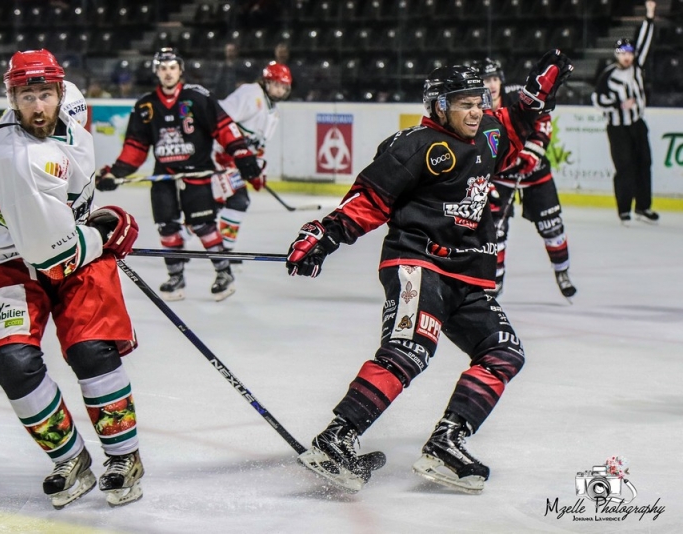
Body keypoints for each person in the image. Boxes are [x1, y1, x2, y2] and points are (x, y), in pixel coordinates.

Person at [286, 51, 573, 494]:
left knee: (504, 354)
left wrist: (537, 97)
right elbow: (369, 200)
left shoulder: (491, 132)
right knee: (411, 348)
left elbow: (519, 118)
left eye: (479, 101)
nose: (476, 110)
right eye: (465, 103)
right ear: (440, 106)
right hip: (417, 261)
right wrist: (324, 235)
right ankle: (336, 439)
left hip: (468, 271)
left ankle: (447, 442)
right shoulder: (414, 145)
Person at [0, 49, 144, 509]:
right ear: (12, 98)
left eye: (46, 93)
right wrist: (107, 232)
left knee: (92, 348)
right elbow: (51, 254)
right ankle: (69, 457)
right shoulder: (14, 157)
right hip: (8, 258)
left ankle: (125, 458)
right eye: (27, 96)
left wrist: (92, 217)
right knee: (13, 363)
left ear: (62, 92)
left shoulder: (75, 105)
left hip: (66, 239)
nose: (39, 106)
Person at [95, 48, 263, 301]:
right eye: (163, 68)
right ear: (157, 71)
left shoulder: (198, 97)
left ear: (180, 70)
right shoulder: (146, 105)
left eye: (172, 67)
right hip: (164, 177)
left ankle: (223, 272)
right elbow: (135, 147)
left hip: (197, 174)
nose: (168, 72)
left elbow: (224, 127)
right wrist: (116, 173)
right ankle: (175, 277)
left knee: (204, 226)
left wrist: (242, 155)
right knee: (167, 227)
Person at [472, 58, 576, 299]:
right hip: (500, 178)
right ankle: (494, 281)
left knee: (552, 226)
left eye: (496, 78)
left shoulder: (518, 95)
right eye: (487, 79)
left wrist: (532, 152)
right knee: (495, 231)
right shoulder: (475, 109)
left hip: (535, 172)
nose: (493, 84)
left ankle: (562, 271)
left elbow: (543, 119)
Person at [213, 61, 292, 258]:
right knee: (217, 203)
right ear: (265, 81)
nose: (279, 90)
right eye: (275, 84)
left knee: (235, 201)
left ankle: (224, 250)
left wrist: (257, 171)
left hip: (235, 162)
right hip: (218, 157)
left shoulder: (274, 112)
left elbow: (258, 145)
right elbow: (218, 118)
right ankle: (180, 245)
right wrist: (223, 152)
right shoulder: (250, 94)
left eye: (283, 87)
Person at [592, 0, 658, 225]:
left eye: (630, 53)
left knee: (644, 163)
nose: (627, 57)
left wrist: (649, 15)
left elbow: (645, 40)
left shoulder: (637, 67)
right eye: (623, 53)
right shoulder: (608, 75)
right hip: (618, 127)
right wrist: (618, 106)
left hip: (638, 123)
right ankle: (624, 210)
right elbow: (597, 99)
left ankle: (643, 207)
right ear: (616, 54)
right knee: (625, 167)